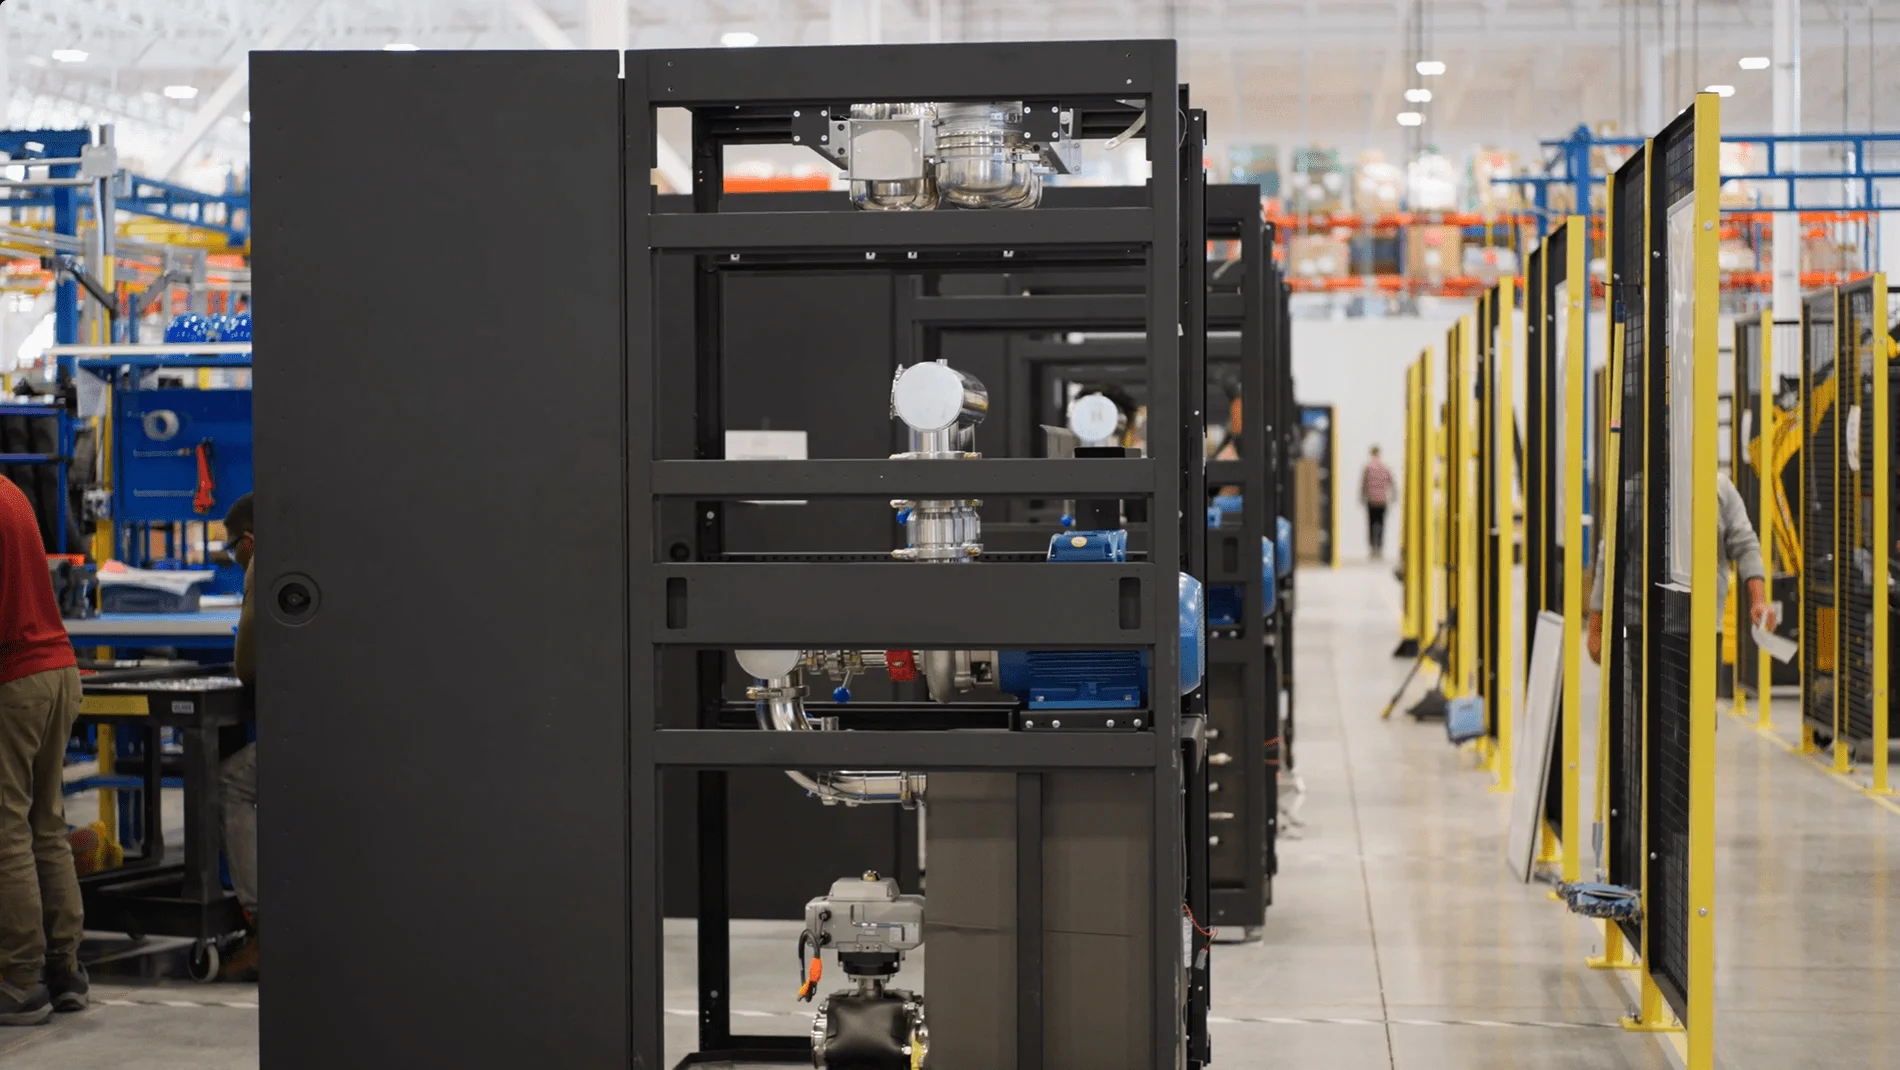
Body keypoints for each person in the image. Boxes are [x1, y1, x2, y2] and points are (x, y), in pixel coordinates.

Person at [0, 475, 87, 1025]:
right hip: (57, 669)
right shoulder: (11, 490)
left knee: (5, 828)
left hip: (14, 677)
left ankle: (18, 979)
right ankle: (64, 971)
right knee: (45, 822)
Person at [1587, 473, 1767, 664]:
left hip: (1702, 624)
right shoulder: (1634, 491)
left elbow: (1746, 544)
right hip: (1644, 625)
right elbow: (1610, 558)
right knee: (1646, 693)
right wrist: (1595, 628)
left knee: (1698, 692)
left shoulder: (1719, 489)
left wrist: (1759, 600)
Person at [218, 493, 259, 981]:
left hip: (317, 738)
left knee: (233, 781)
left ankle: (261, 923)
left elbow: (248, 666)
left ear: (247, 542)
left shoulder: (260, 568)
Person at [1360, 446, 1395, 558]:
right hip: (1382, 500)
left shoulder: (1367, 467)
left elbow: (1364, 484)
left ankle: (1373, 548)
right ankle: (1379, 547)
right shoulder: (1385, 467)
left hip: (1371, 500)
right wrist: (1393, 496)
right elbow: (1391, 483)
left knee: (1371, 523)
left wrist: (1362, 496)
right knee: (1381, 523)